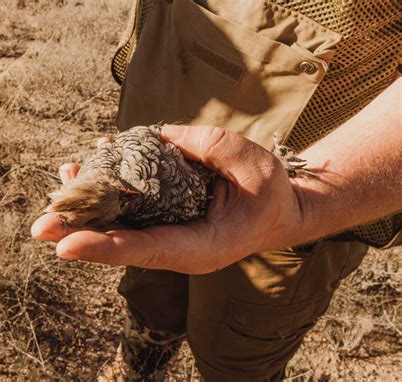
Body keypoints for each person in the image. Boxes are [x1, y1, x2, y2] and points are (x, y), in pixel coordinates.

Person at [31, 1, 401, 380]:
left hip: (310, 179)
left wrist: (301, 205)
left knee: (237, 349)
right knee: (152, 296)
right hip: (161, 102)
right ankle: (139, 368)